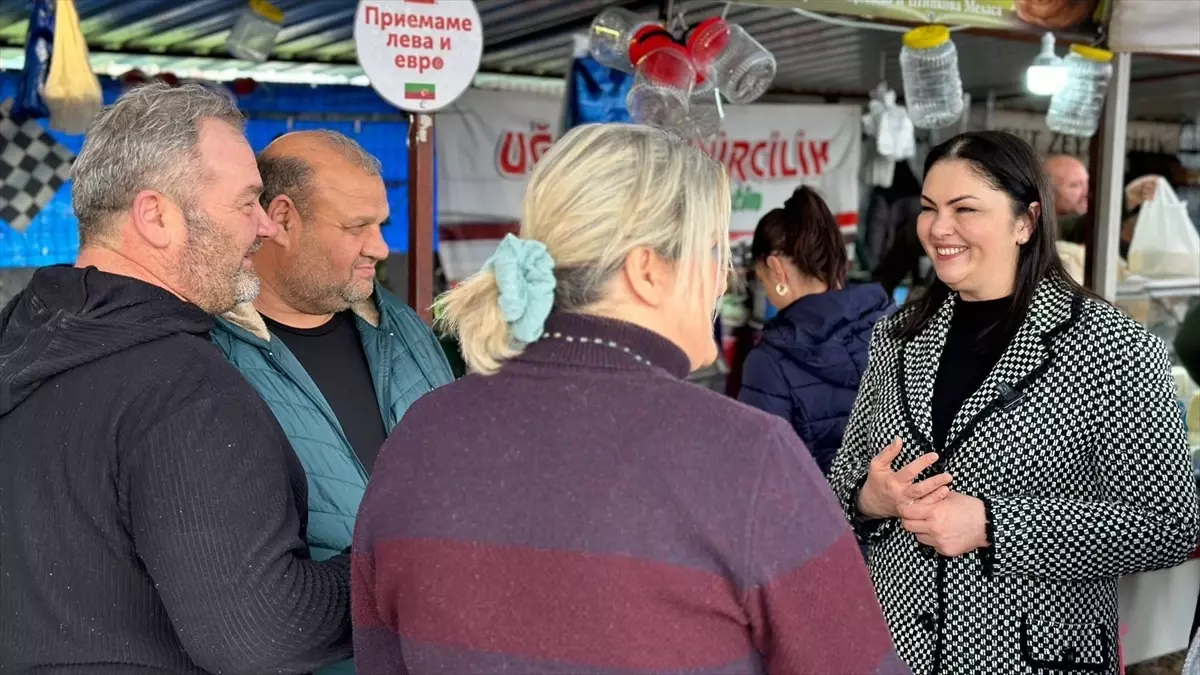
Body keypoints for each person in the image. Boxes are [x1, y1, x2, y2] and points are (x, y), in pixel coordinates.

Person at [352, 123, 909, 675]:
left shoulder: (420, 433)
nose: (723, 281)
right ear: (647, 270)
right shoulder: (746, 455)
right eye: (711, 252)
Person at [0, 84, 351, 673]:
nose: (265, 226)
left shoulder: (17, 333)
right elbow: (259, 635)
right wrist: (389, 569)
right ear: (155, 215)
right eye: (246, 202)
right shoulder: (186, 392)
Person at [829, 130, 1200, 675]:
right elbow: (843, 478)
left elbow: (1168, 525)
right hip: (895, 650)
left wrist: (992, 525)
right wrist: (868, 498)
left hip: (1033, 658)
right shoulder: (898, 336)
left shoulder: (1111, 346)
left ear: (1025, 222)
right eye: (930, 208)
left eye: (965, 208)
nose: (939, 228)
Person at [739, 186, 893, 475]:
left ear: (776, 270)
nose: (767, 290)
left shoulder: (769, 362)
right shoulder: (895, 327)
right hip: (902, 514)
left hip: (817, 517)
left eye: (762, 278)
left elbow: (761, 475)